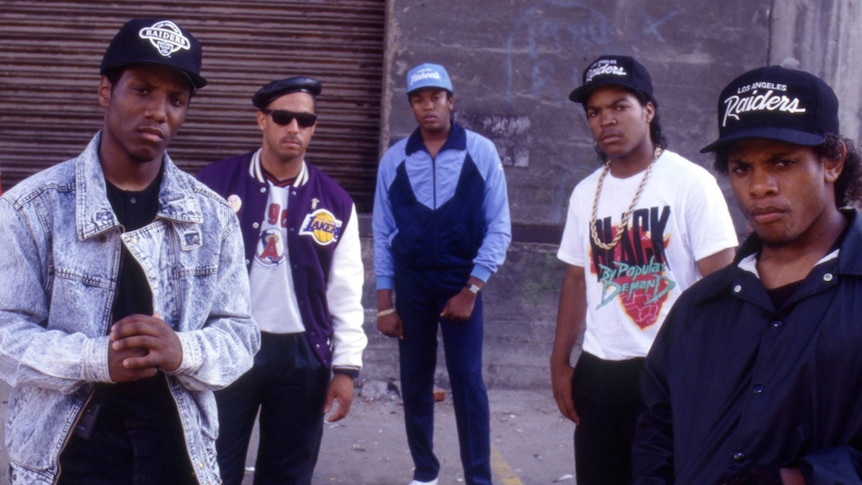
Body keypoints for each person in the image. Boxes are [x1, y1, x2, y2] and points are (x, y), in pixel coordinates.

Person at [0, 18, 259, 485]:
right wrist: (97, 360)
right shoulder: (32, 208)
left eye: (175, 100)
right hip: (65, 455)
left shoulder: (213, 216)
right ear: (106, 91)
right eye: (142, 90)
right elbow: (5, 332)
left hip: (177, 451)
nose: (159, 112)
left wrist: (183, 350)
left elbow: (241, 335)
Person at [633, 65, 862, 484]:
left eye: (783, 162)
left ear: (832, 162)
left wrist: (801, 479)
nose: (760, 186)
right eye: (742, 168)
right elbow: (656, 430)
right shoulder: (700, 308)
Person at [549, 54, 738, 485]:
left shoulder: (689, 183)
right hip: (599, 369)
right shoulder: (585, 194)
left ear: (648, 110)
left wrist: (713, 376)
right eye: (595, 112)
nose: (606, 120)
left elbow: (724, 282)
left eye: (620, 106)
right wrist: (560, 363)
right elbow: (578, 278)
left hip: (668, 369)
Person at [197, 76, 367, 485]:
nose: (294, 128)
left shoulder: (335, 203)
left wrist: (346, 369)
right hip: (229, 343)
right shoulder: (214, 185)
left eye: (305, 120)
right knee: (209, 465)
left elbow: (344, 291)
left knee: (289, 472)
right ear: (262, 120)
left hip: (301, 354)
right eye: (283, 116)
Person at [372, 62, 511, 485]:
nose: (427, 106)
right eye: (418, 99)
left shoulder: (481, 152)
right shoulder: (395, 159)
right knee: (415, 380)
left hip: (460, 280)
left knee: (468, 380)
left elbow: (499, 227)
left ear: (451, 101)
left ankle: (479, 478)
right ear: (411, 107)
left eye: (435, 97)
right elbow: (381, 230)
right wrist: (384, 304)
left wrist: (471, 288)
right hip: (413, 284)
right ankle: (425, 471)